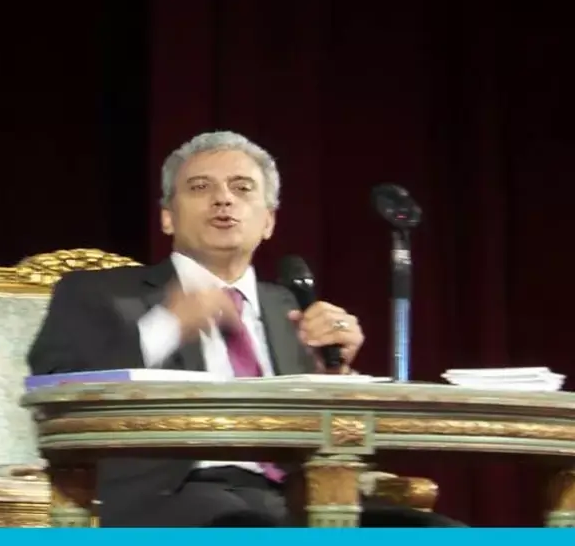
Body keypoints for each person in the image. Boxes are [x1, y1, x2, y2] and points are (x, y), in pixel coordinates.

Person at [27, 130, 463, 528]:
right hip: (170, 497)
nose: (223, 199)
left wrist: (337, 377)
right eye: (200, 187)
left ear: (268, 221)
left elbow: (341, 439)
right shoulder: (96, 293)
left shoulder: (292, 308)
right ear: (167, 217)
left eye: (242, 188)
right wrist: (167, 327)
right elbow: (55, 388)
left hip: (298, 497)